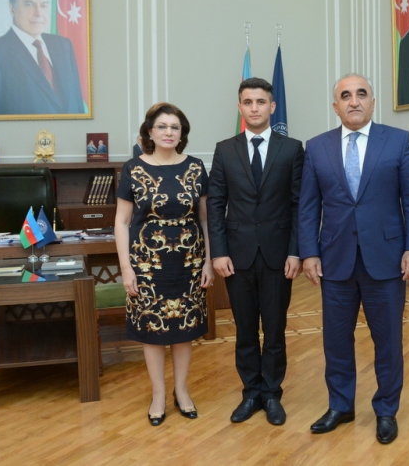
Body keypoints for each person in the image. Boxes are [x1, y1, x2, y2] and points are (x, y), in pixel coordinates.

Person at [299, 73, 409, 444]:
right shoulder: (317, 147)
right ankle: (341, 406)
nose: (353, 101)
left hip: (386, 260)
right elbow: (308, 207)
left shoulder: (398, 140)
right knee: (336, 341)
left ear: (372, 101)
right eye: (345, 95)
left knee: (387, 340)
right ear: (335, 106)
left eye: (361, 94)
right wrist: (309, 252)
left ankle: (386, 410)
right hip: (334, 259)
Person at [207, 77, 304, 426]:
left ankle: (272, 393)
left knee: (275, 330)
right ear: (240, 108)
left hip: (279, 256)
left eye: (261, 102)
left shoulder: (292, 149)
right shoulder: (224, 149)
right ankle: (251, 392)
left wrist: (296, 252)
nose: (254, 108)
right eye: (248, 102)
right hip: (237, 256)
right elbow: (215, 205)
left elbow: (299, 205)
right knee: (245, 330)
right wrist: (218, 252)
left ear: (272, 107)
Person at [114, 102, 214, 426]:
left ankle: (181, 390)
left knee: (184, 329)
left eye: (175, 127)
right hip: (147, 264)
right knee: (152, 331)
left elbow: (205, 219)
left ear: (182, 133)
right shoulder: (133, 168)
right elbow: (121, 222)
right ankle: (158, 394)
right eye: (162, 126)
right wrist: (126, 268)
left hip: (189, 262)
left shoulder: (196, 168)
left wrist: (208, 262)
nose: (169, 132)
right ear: (150, 132)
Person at [0, 0, 84, 116]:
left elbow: (77, 104)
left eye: (43, 5)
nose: (38, 13)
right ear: (12, 8)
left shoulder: (64, 45)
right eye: (29, 4)